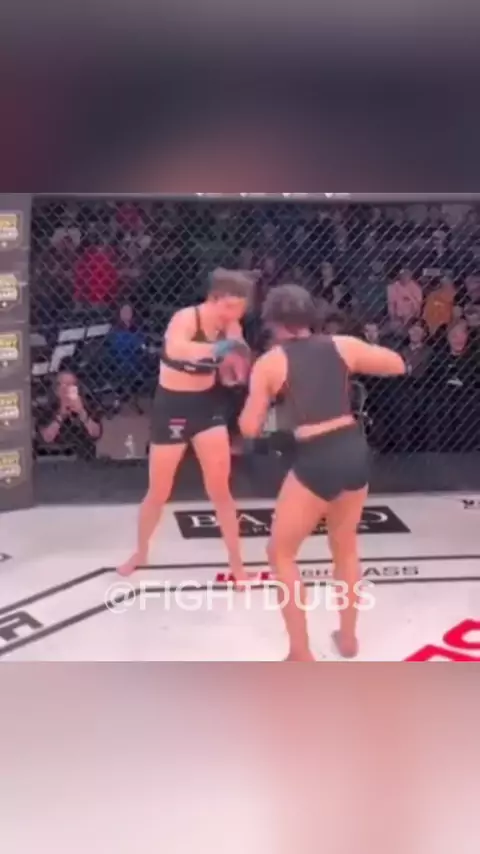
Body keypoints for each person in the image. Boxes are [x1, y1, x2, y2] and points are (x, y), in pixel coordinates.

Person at [238, 284, 407, 661]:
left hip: (317, 456)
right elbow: (397, 363)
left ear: (276, 323)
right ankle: (348, 639)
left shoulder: (271, 362)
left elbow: (249, 427)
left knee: (281, 553)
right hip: (353, 449)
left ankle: (300, 652)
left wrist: (264, 399)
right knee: (345, 546)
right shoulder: (341, 345)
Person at [118, 268, 254, 580]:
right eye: (232, 307)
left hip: (206, 407)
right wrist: (216, 349)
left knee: (220, 489)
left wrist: (236, 366)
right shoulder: (185, 318)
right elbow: (177, 349)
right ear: (216, 299)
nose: (235, 314)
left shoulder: (231, 325)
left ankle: (237, 563)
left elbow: (234, 368)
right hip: (173, 408)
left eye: (240, 309)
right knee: (158, 491)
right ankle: (141, 552)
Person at [35, 362, 102, 460]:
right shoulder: (47, 408)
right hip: (55, 458)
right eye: (64, 385)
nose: (67, 389)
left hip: (83, 458)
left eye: (71, 385)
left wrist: (82, 413)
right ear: (56, 389)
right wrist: (60, 416)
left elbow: (96, 433)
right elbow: (46, 438)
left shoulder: (88, 406)